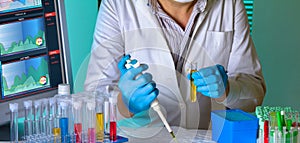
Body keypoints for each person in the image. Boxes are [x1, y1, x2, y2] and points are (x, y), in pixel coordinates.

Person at [84, 0, 266, 129]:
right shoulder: (118, 5)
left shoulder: (230, 5)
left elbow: (254, 93)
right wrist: (125, 103)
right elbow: (93, 99)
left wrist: (228, 90)